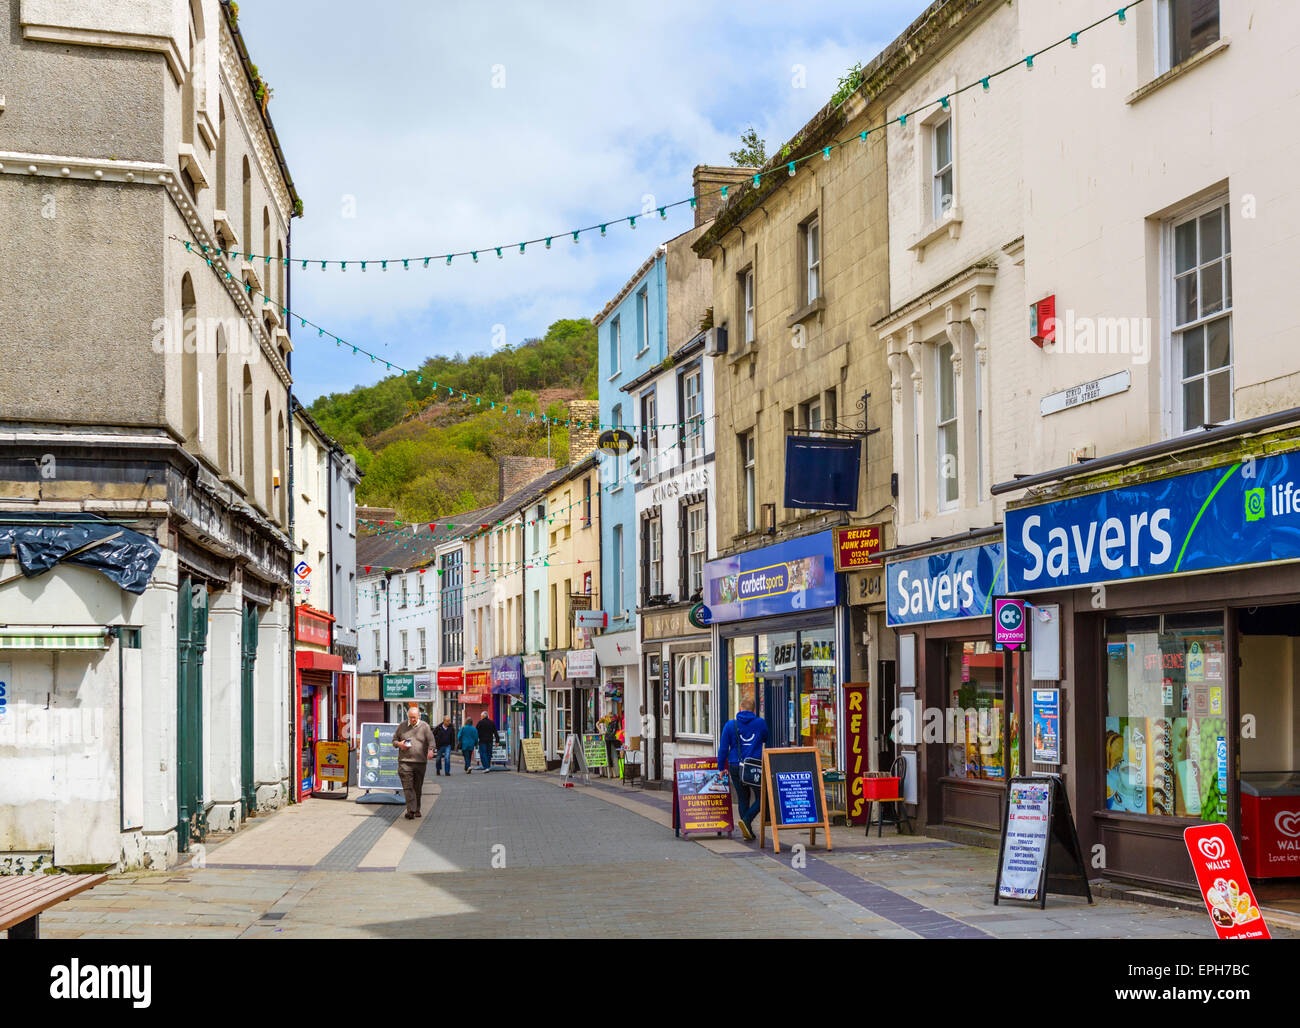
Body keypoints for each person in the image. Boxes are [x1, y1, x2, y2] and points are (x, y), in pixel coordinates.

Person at [717, 698, 768, 840]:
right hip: (755, 765)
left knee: (743, 797)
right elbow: (766, 738)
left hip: (735, 766)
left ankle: (747, 827)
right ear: (754, 710)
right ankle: (747, 822)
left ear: (740, 709)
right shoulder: (760, 723)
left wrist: (721, 767)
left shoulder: (730, 725)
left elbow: (723, 749)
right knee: (763, 797)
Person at [392, 703, 434, 819]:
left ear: (419, 716)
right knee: (407, 786)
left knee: (417, 787)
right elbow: (394, 740)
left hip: (420, 762)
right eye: (410, 717)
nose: (412, 719)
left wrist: (431, 750)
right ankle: (411, 810)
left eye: (414, 717)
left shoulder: (425, 727)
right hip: (405, 762)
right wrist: (399, 744)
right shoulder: (402, 726)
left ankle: (417, 809)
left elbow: (431, 740)